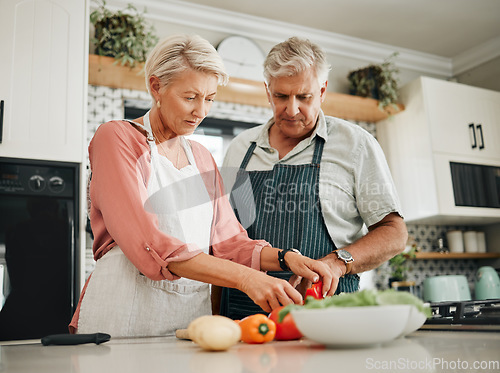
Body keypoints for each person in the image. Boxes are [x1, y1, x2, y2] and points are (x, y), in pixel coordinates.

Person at [69, 34, 334, 337]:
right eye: (190, 97)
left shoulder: (203, 158)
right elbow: (149, 244)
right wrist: (246, 279)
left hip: (187, 319)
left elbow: (229, 243)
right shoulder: (117, 139)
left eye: (209, 99)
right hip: (122, 314)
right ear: (157, 87)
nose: (202, 112)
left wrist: (289, 258)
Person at [221, 36, 408, 320]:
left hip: (327, 312)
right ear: (267, 91)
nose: (292, 110)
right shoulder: (240, 148)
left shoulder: (355, 144)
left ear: (322, 91)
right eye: (281, 96)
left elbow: (394, 232)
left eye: (304, 97)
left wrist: (338, 263)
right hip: (242, 316)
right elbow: (222, 239)